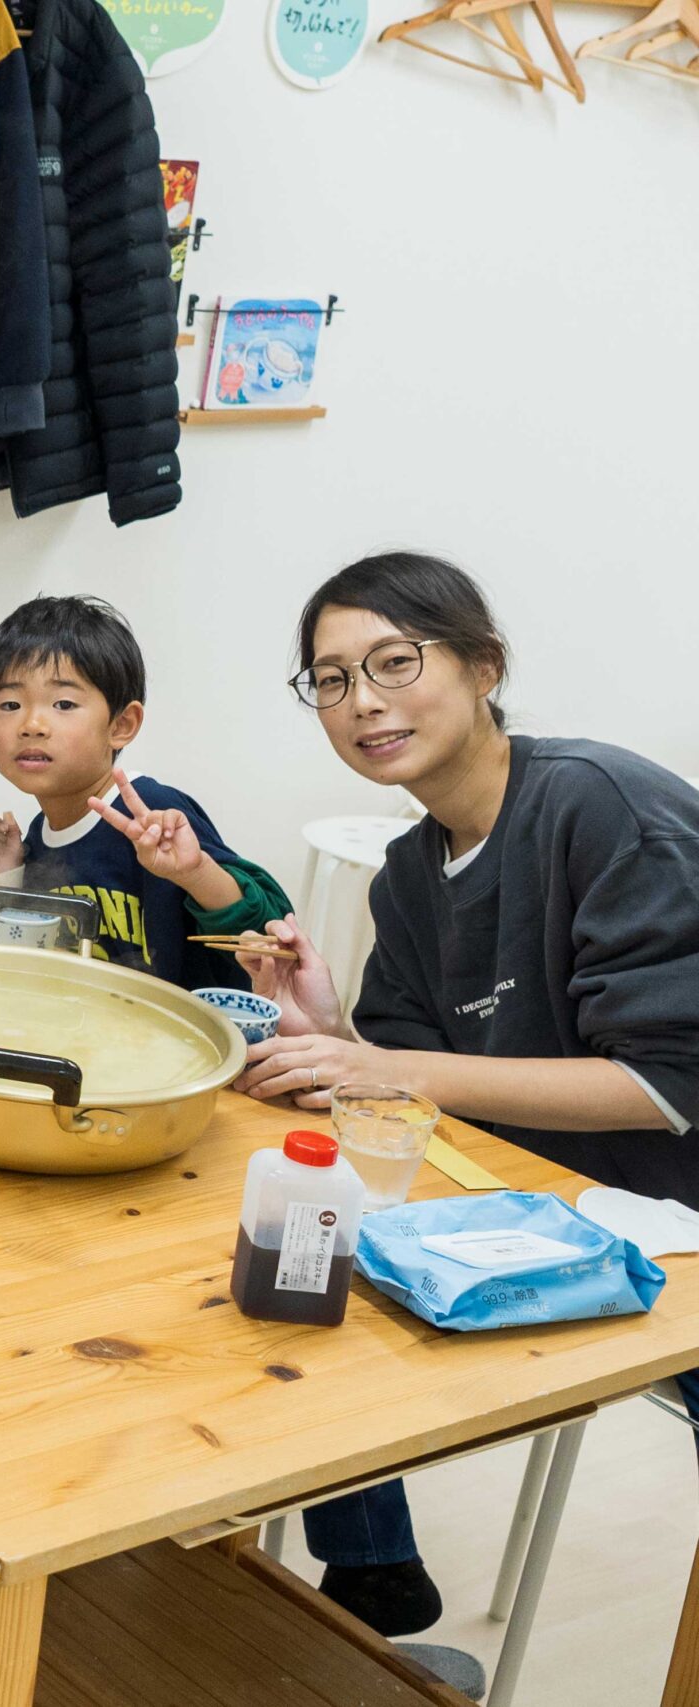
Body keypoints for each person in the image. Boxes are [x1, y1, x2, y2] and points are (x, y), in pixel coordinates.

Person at [237, 551, 699, 1639]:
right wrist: (329, 1032)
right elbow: (419, 1093)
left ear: (483, 666)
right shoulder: (412, 873)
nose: (364, 703)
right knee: (292, 1262)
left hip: (678, 1225)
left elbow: (669, 1084)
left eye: (395, 663)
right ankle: (370, 1574)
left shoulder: (596, 806)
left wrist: (390, 1069)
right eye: (332, 681)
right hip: (572, 1220)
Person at [0, 595, 292, 987]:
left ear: (122, 724)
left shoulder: (154, 814)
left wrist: (197, 873)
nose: (32, 724)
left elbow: (273, 931)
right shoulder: (38, 836)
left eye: (63, 703)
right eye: (10, 704)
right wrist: (2, 882)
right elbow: (34, 970)